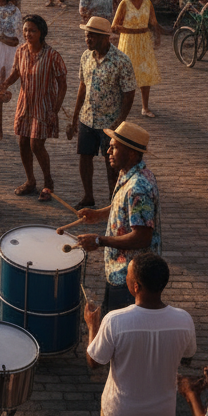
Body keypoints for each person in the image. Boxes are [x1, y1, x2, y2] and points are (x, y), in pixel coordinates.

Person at [85, 254, 196, 416]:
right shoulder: (184, 320)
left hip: (121, 412)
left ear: (136, 286)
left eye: (128, 274)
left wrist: (92, 326)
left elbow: (94, 361)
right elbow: (188, 356)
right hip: (161, 413)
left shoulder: (115, 320)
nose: (125, 277)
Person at [75, 120, 161, 314]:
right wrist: (98, 214)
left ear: (131, 154)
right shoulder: (129, 173)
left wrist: (99, 240)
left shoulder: (138, 187)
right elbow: (125, 207)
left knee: (120, 327)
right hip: (118, 271)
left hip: (131, 279)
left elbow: (142, 237)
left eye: (114, 148)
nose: (108, 152)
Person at [68, 16, 137, 209]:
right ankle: (88, 196)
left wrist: (120, 121)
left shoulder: (121, 61)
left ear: (105, 38)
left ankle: (113, 200)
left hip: (109, 122)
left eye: (92, 36)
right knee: (84, 157)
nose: (87, 39)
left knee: (112, 163)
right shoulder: (85, 57)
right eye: (86, 35)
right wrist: (75, 117)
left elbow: (129, 94)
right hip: (87, 118)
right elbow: (82, 87)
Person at [0, 13, 67, 202]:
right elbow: (16, 72)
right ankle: (30, 181)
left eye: (33, 31)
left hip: (44, 106)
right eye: (26, 30)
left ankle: (48, 182)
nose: (28, 34)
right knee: (23, 142)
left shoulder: (52, 56)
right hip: (25, 104)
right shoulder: (21, 51)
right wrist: (4, 85)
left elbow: (62, 84)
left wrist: (55, 108)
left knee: (36, 145)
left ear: (41, 33)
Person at [112, 0, 162, 118]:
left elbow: (153, 22)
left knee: (145, 73)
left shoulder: (148, 3)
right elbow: (114, 26)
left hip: (144, 42)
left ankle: (145, 107)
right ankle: (121, 104)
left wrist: (158, 35)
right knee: (126, 73)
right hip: (128, 41)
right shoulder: (125, 4)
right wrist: (130, 30)